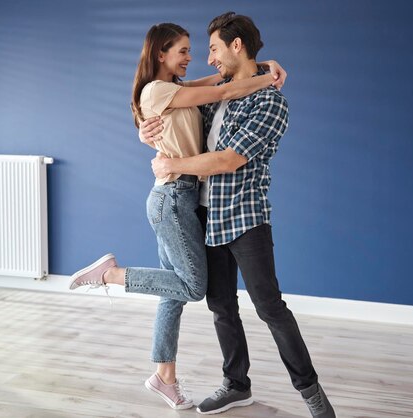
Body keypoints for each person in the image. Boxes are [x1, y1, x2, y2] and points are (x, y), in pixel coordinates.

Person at [68, 23, 287, 410]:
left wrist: (263, 64)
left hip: (179, 195)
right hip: (173, 196)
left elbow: (221, 78)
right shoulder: (157, 90)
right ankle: (110, 274)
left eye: (194, 50)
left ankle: (163, 377)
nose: (192, 58)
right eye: (183, 51)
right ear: (161, 55)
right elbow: (222, 88)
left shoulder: (176, 92)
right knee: (191, 287)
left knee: (171, 294)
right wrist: (266, 76)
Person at [142, 12, 336, 418]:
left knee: (269, 307)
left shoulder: (270, 102)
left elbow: (228, 159)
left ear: (236, 45)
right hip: (207, 216)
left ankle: (312, 395)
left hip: (246, 217)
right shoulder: (226, 92)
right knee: (221, 306)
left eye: (213, 48)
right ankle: (236, 383)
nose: (208, 59)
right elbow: (177, 112)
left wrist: (175, 167)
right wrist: (145, 130)